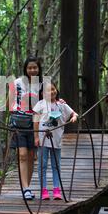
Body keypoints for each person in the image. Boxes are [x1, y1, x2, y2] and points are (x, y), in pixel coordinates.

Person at [33, 81, 78, 200]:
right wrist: (36, 137)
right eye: (48, 90)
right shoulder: (40, 104)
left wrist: (73, 117)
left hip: (56, 140)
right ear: (42, 93)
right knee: (42, 165)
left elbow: (74, 113)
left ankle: (56, 189)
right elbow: (36, 121)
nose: (51, 92)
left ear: (56, 90)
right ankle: (43, 190)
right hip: (43, 139)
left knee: (56, 165)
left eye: (53, 89)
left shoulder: (61, 105)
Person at [8, 56, 43, 200]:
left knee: (30, 156)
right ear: (25, 69)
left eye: (35, 67)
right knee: (22, 155)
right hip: (18, 123)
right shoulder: (16, 83)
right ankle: (25, 188)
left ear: (39, 69)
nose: (32, 70)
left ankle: (27, 187)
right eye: (30, 68)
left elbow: (47, 103)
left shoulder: (42, 84)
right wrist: (15, 111)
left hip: (35, 123)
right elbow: (9, 103)